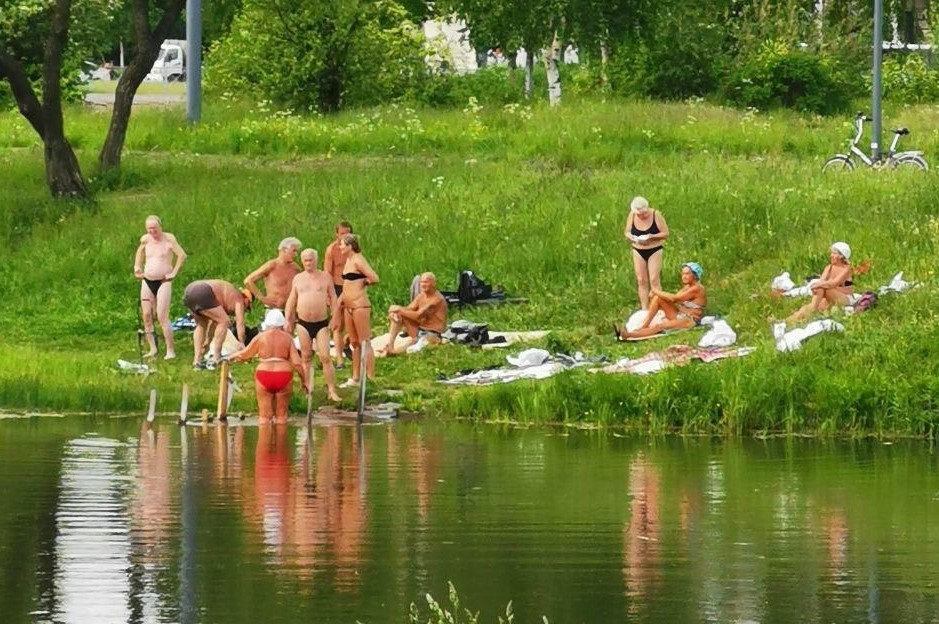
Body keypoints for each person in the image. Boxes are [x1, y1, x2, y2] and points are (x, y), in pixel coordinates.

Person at [230, 309, 308, 424]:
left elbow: (245, 354)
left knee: (264, 418)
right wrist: (304, 380)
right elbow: (297, 363)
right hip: (283, 375)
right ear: (282, 324)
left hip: (264, 374)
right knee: (281, 417)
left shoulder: (261, 337)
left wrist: (232, 356)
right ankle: (282, 440)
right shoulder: (288, 338)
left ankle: (264, 439)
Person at [285, 248, 342, 401]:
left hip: (321, 323)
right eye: (306, 260)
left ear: (316, 260)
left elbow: (333, 297)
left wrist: (335, 317)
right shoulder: (298, 278)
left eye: (311, 260)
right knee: (306, 356)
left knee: (325, 356)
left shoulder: (325, 277)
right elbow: (291, 300)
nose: (308, 263)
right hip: (303, 322)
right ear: (302, 261)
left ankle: (331, 390)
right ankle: (308, 389)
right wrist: (288, 320)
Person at [133, 215, 186, 359]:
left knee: (162, 315)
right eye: (149, 229)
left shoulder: (169, 240)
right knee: (147, 315)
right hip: (147, 280)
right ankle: (153, 348)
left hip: (164, 281)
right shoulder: (145, 240)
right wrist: (137, 266)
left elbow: (181, 255)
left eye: (154, 229)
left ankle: (170, 350)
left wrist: (174, 272)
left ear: (160, 227)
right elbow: (140, 252)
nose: (152, 232)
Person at [331, 234, 379, 388]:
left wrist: (363, 282)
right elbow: (347, 283)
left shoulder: (358, 259)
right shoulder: (348, 261)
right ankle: (356, 376)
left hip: (359, 305)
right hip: (348, 305)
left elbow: (374, 278)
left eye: (342, 244)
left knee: (365, 341)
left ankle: (370, 376)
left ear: (350, 245)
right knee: (354, 342)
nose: (340, 247)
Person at [616, 262, 707, 340]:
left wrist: (656, 291)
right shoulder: (687, 287)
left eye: (687, 274)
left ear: (695, 276)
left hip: (689, 319)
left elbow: (675, 298)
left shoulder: (697, 288)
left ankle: (629, 335)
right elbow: (674, 300)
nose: (684, 277)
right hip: (680, 314)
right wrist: (658, 297)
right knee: (658, 298)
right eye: (683, 274)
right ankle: (644, 326)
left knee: (660, 326)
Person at [183, 279, 253, 369]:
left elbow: (213, 323)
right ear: (246, 300)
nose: (245, 310)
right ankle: (217, 357)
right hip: (203, 291)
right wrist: (242, 343)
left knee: (201, 324)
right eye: (247, 308)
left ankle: (197, 359)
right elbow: (240, 323)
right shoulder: (239, 298)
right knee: (225, 321)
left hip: (190, 290)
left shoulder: (226, 295)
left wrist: (208, 342)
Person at [379, 272, 448, 355]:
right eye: (421, 282)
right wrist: (394, 311)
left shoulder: (437, 299)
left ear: (433, 283)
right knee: (398, 315)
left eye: (426, 282)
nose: (422, 285)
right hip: (419, 330)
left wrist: (398, 309)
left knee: (420, 344)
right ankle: (390, 345)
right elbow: (408, 309)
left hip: (433, 333)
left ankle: (395, 352)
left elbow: (418, 316)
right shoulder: (421, 295)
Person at [787, 242, 854, 324]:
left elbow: (833, 283)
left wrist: (817, 285)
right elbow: (821, 282)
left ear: (841, 256)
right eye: (831, 253)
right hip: (829, 296)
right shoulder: (828, 267)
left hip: (844, 298)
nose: (831, 256)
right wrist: (816, 288)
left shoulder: (847, 269)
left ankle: (812, 310)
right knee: (807, 307)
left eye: (834, 253)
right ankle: (787, 321)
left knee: (823, 288)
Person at [624, 196, 670, 310]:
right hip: (638, 249)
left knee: (654, 279)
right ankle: (645, 308)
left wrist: (651, 237)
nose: (641, 216)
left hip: (654, 248)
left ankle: (658, 306)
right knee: (641, 279)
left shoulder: (656, 215)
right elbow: (627, 232)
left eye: (643, 214)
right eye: (639, 215)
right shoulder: (632, 215)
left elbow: (665, 233)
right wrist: (631, 237)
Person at [243, 237, 302, 311]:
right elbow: (248, 280)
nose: (296, 254)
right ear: (284, 250)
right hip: (273, 310)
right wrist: (262, 298)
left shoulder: (296, 268)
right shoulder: (272, 265)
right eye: (294, 251)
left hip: (290, 310)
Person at [323, 221, 352, 366]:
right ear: (337, 234)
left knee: (352, 322)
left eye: (347, 233)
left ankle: (346, 344)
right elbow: (327, 273)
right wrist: (328, 295)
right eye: (342, 233)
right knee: (337, 324)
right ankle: (339, 359)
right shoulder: (332, 250)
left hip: (352, 287)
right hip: (337, 287)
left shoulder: (353, 249)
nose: (345, 236)